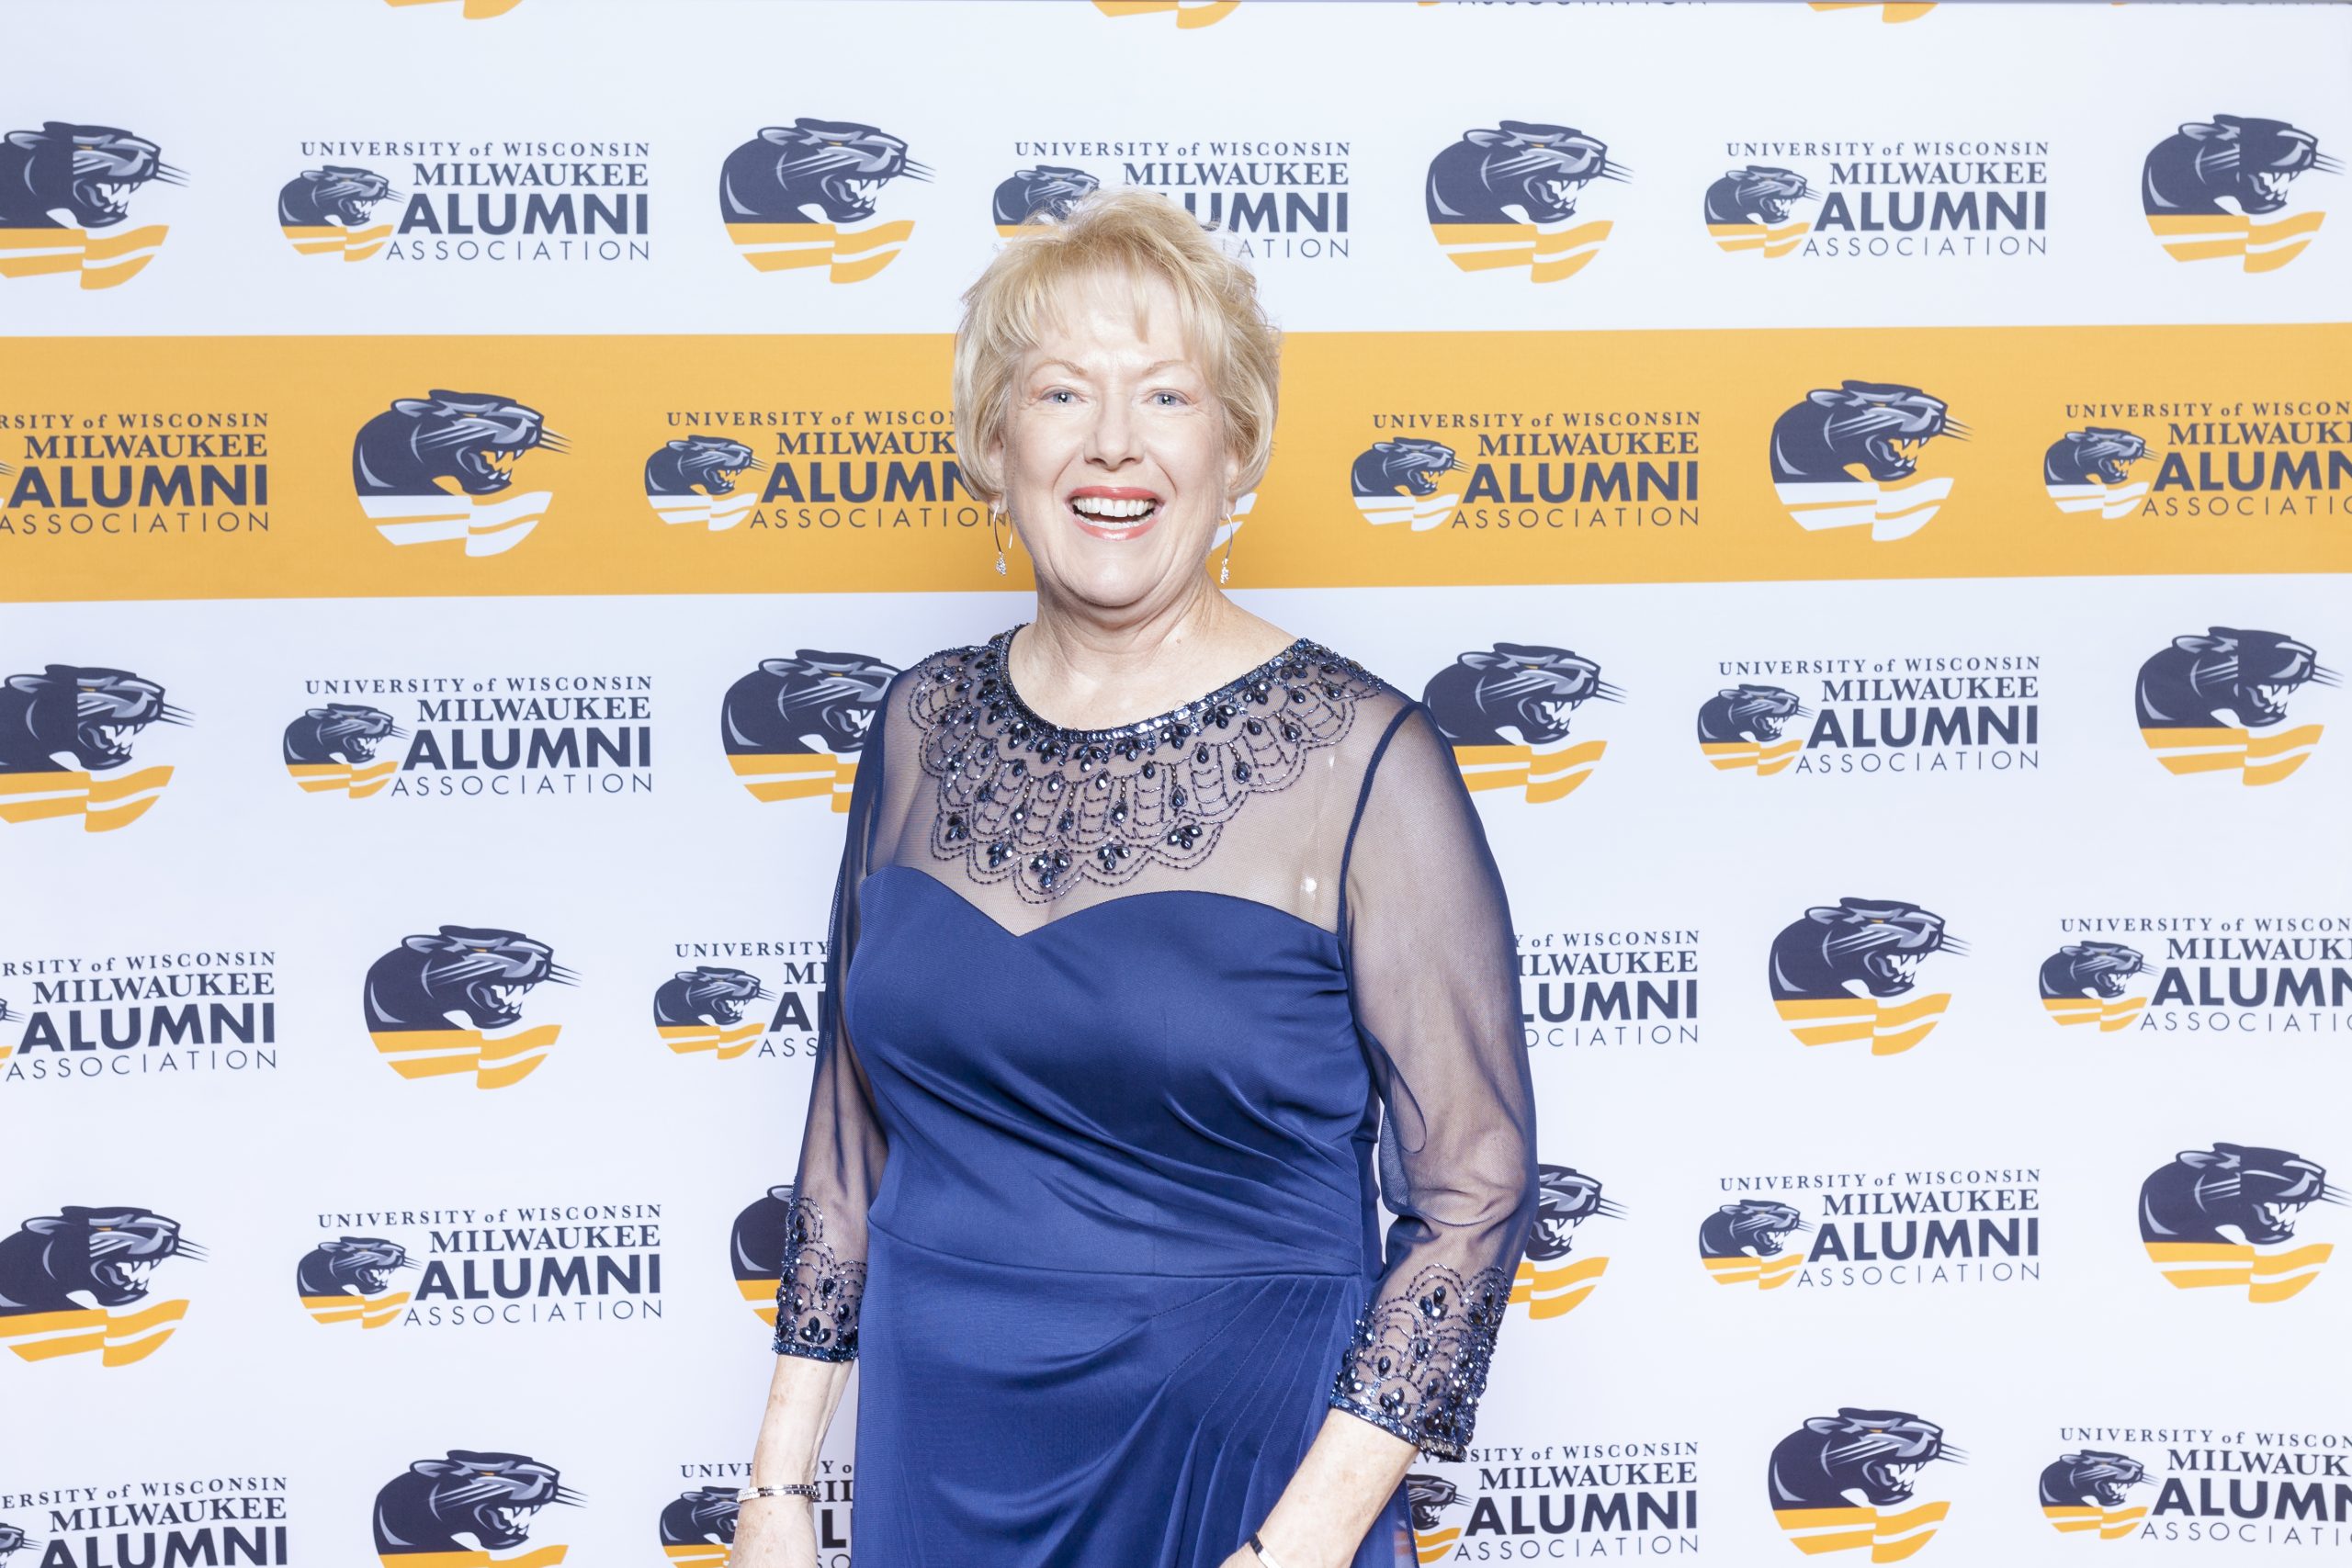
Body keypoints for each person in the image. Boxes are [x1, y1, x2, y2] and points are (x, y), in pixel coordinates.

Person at [729, 189, 1539, 1568]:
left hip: (1239, 1498)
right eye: (1063, 392)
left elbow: (1475, 1190)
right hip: (939, 1480)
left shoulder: (1366, 765)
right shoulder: (917, 728)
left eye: (1167, 394)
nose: (1113, 442)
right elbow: (846, 1140)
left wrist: (1296, 1549)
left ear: (1238, 453)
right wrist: (778, 1492)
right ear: (996, 445)